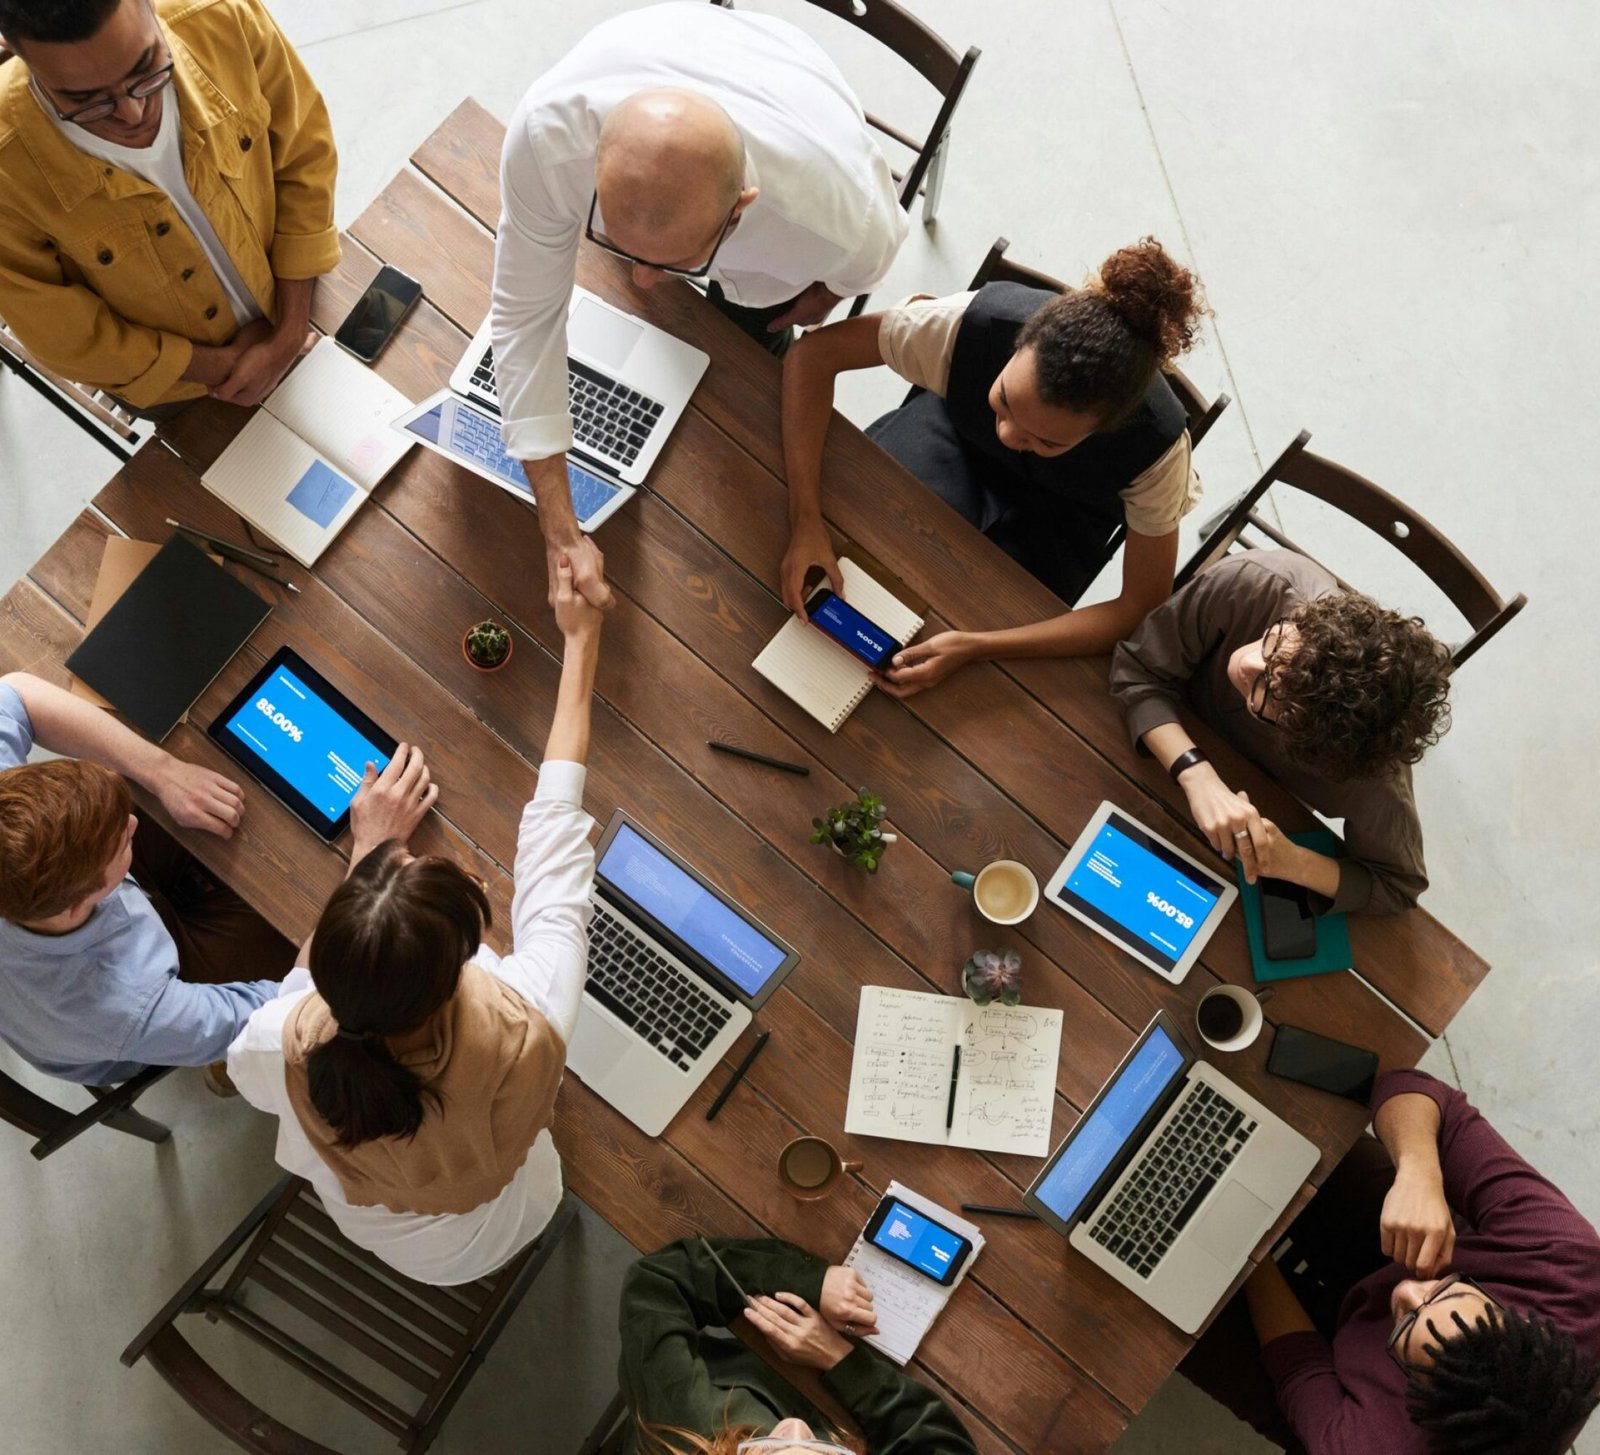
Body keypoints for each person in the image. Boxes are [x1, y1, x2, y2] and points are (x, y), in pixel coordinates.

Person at [228, 558, 602, 1285]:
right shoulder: (530, 1018)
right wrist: (583, 640)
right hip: (503, 1217)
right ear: (460, 969)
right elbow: (556, 837)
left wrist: (366, 849)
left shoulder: (283, 1038)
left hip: (397, 1239)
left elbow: (285, 1009)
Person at [491, 1, 908, 613]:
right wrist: (559, 523)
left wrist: (818, 299)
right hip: (675, 46)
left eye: (673, 263)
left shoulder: (840, 224)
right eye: (617, 243)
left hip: (792, 98)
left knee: (752, 365)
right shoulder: (544, 138)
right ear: (596, 165)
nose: (643, 282)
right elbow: (524, 317)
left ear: (741, 207)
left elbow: (857, 272)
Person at [779, 237, 1207, 697]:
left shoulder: (1157, 452)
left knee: (983, 636)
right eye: (1004, 402)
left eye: (1046, 439)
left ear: (1105, 429)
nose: (1008, 435)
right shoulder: (966, 326)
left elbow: (1140, 604)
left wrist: (977, 647)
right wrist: (805, 520)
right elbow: (813, 356)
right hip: (954, 437)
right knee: (864, 541)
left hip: (1068, 514)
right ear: (1017, 346)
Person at [1179, 1069, 1600, 1453]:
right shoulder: (1564, 1261)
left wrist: (1249, 1247)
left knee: (1185, 1313)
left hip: (1338, 1392)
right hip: (1425, 1246)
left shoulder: (1374, 1445)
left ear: (1414, 1392)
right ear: (1512, 1313)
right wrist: (1419, 1173)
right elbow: (1413, 1088)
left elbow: (1298, 1364)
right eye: (1445, 1291)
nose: (1408, 1289)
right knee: (1307, 1133)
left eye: (1406, 1322)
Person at [0, 0, 339, 414]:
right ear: (16, 52)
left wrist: (287, 332)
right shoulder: (6, 165)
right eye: (87, 102)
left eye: (146, 69)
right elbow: (64, 334)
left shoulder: (221, 15)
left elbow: (305, 152)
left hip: (301, 298)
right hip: (186, 390)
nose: (132, 111)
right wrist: (222, 367)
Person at [1109, 550, 1454, 914]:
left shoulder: (1372, 775)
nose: (1248, 662)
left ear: (1306, 740)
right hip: (1143, 752)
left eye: (1269, 692)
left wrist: (1291, 861)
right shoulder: (1255, 582)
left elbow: (1396, 887)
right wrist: (1197, 776)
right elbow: (1138, 668)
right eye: (1275, 644)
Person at [0, 671, 292, 1088]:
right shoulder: (125, 1008)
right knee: (298, 942)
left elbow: (15, 691)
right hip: (132, 1017)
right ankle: (224, 1073)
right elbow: (285, 1014)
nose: (134, 824)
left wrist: (163, 772)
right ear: (81, 904)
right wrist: (372, 860)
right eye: (121, 842)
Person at [619, 1235, 979, 1454]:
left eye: (764, 1448)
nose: (796, 1427)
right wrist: (839, 1359)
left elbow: (656, 1286)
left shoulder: (683, 1420)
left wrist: (807, 1280)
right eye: (827, 1454)